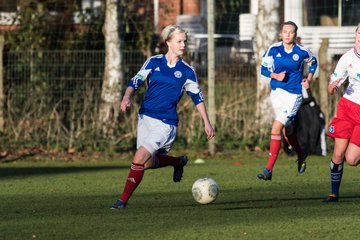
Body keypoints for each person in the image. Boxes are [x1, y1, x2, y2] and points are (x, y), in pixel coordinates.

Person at [111, 25, 215, 209]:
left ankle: (122, 201)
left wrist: (206, 122)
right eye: (179, 41)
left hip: (166, 123)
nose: (183, 45)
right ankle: (178, 162)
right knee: (146, 163)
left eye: (184, 41)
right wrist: (127, 97)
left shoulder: (187, 71)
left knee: (139, 157)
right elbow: (136, 81)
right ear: (168, 42)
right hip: (145, 118)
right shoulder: (153, 62)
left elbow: (197, 97)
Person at [257, 21, 318, 181]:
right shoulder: (273, 49)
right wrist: (275, 76)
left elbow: (313, 62)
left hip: (293, 95)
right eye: (285, 32)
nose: (288, 35)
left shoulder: (302, 51)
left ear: (295, 35)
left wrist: (308, 79)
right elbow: (263, 69)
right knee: (287, 131)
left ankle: (268, 169)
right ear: (280, 34)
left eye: (291, 32)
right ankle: (301, 154)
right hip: (276, 94)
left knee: (276, 128)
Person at [323, 23, 360, 202]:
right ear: (355, 34)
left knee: (351, 159)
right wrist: (332, 86)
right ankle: (333, 194)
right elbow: (332, 84)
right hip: (347, 108)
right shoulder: (347, 57)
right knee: (338, 153)